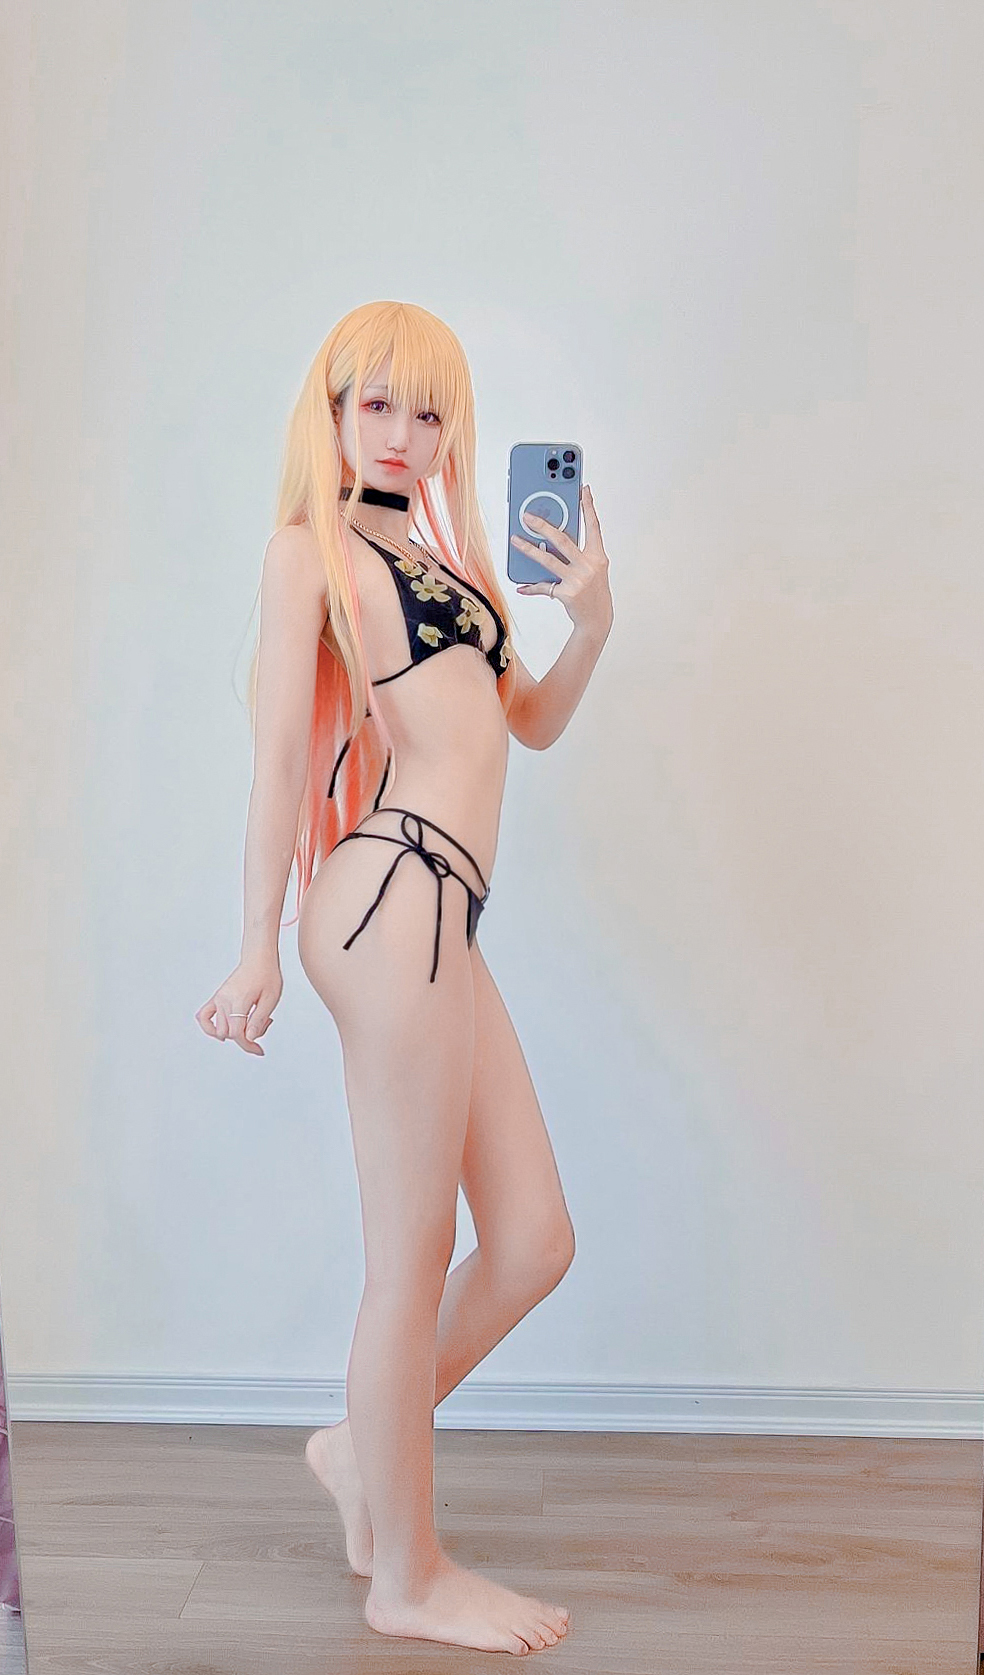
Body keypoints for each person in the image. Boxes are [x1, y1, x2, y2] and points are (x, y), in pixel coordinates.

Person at [196, 300, 614, 1655]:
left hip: (443, 915)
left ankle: (355, 1448)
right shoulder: (309, 554)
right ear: (330, 413)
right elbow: (275, 762)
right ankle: (409, 1577)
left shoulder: (444, 560)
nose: (401, 431)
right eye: (375, 402)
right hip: (392, 903)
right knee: (413, 1258)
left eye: (427, 411)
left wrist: (589, 621)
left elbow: (527, 726)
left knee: (535, 1240)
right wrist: (256, 943)